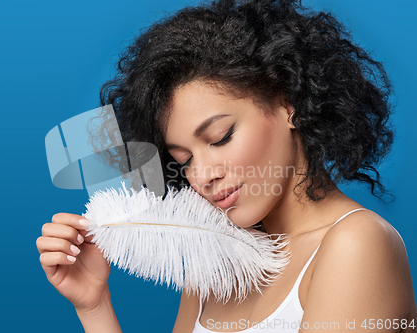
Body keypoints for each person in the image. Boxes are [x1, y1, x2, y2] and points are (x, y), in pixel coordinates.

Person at [36, 0, 417, 332]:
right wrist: (94, 306)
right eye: (183, 159)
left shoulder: (357, 244)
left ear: (288, 103)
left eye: (220, 137)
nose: (202, 175)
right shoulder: (215, 262)